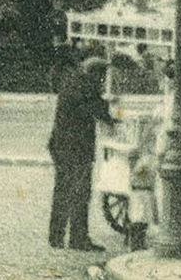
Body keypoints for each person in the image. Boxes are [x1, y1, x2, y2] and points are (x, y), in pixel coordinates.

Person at [47, 56, 111, 251]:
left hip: (60, 145)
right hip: (76, 148)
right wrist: (112, 115)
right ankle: (78, 238)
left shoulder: (73, 82)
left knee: (62, 191)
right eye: (102, 77)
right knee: (80, 193)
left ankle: (56, 236)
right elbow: (99, 111)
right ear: (95, 74)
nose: (103, 81)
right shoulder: (86, 87)